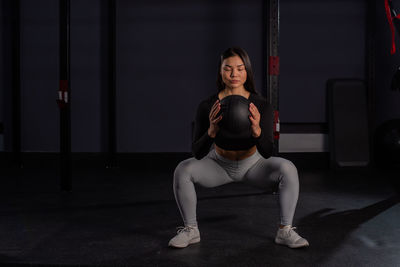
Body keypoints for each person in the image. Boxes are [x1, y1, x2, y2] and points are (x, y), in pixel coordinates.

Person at [168, 47, 309, 249]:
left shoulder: (261, 104)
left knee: (288, 168)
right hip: (219, 164)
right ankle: (191, 230)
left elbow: (269, 152)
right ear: (220, 71)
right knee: (183, 169)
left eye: (240, 68)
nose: (234, 74)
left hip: (254, 165)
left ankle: (285, 230)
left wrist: (257, 130)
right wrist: (211, 131)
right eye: (228, 68)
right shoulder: (207, 105)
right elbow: (197, 153)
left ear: (247, 71)